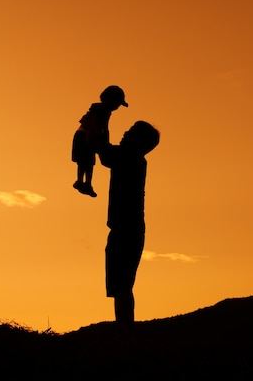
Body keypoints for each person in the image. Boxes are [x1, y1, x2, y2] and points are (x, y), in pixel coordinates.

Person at [97, 120, 160, 339]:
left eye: (131, 132)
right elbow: (106, 152)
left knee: (122, 285)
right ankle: (124, 331)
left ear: (138, 141)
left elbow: (105, 154)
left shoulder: (130, 158)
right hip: (126, 229)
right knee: (120, 285)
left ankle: (125, 333)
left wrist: (101, 124)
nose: (124, 133)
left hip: (126, 229)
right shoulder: (132, 158)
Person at [71, 85, 128, 197]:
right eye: (116, 103)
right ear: (108, 99)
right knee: (84, 161)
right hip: (84, 136)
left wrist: (105, 140)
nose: (116, 107)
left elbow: (105, 128)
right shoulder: (98, 109)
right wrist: (101, 138)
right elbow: (96, 125)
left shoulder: (106, 112)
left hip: (92, 137)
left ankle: (87, 183)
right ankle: (80, 181)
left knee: (90, 162)